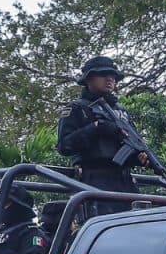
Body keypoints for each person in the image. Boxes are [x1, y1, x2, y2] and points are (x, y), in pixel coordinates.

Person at [55, 56, 150, 195]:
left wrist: (139, 158)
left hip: (124, 181)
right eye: (103, 74)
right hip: (92, 180)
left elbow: (130, 144)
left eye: (113, 75)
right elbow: (64, 146)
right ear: (89, 79)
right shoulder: (77, 108)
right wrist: (96, 128)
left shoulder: (121, 111)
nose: (110, 79)